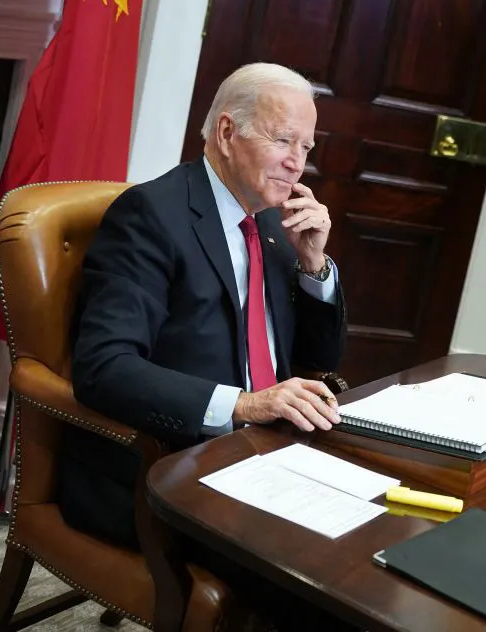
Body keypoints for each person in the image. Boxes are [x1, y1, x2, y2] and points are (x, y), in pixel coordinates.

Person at [60, 63, 349, 625]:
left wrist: (316, 265)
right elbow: (103, 366)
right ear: (225, 132)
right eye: (283, 139)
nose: (298, 162)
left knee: (368, 548)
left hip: (265, 459)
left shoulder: (273, 223)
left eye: (306, 145)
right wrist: (243, 405)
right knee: (316, 588)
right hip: (170, 470)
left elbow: (321, 363)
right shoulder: (151, 216)